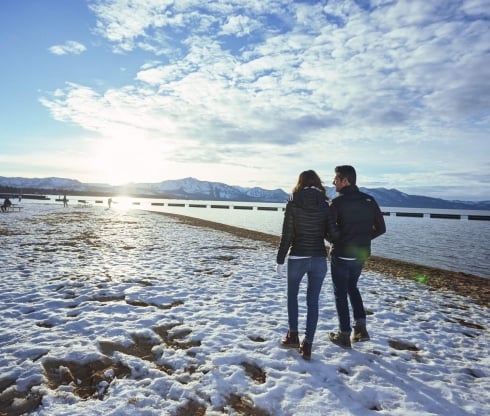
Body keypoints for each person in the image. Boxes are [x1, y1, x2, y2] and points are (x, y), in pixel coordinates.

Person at [276, 170, 338, 360]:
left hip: (297, 257)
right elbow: (332, 235)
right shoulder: (326, 204)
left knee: (292, 297)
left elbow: (287, 234)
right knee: (313, 302)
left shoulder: (293, 201)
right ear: (318, 183)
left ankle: (293, 336)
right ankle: (308, 344)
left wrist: (280, 259)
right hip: (319, 259)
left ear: (300, 182)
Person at [328, 165, 386, 349]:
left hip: (342, 254)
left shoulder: (337, 203)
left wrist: (339, 241)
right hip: (360, 254)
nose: (333, 182)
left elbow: (329, 230)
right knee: (352, 287)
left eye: (336, 179)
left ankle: (344, 335)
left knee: (340, 293)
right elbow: (381, 228)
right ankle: (361, 330)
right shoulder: (369, 200)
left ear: (346, 181)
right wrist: (361, 239)